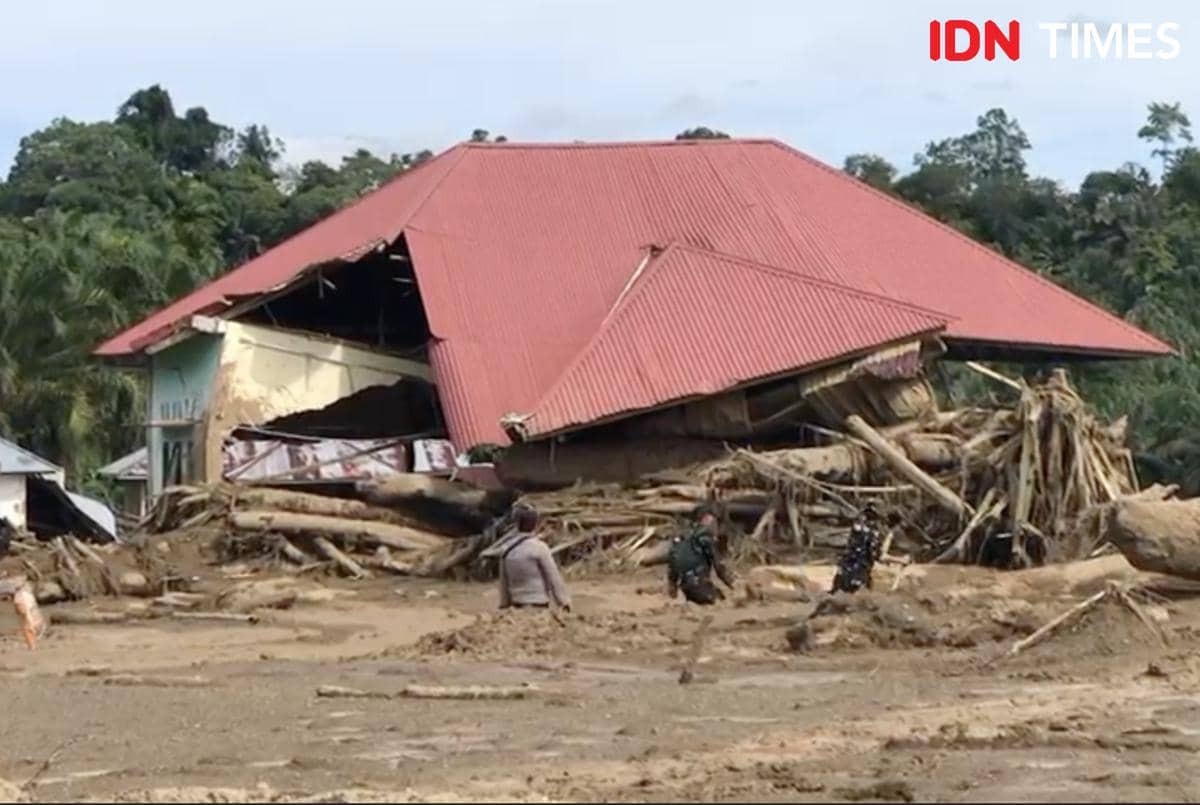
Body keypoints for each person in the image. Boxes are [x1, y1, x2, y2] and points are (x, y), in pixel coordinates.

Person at [495, 504, 571, 611]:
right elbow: (553, 577)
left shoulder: (506, 549)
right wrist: (563, 602)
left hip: (516, 605)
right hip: (539, 604)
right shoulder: (539, 548)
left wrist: (504, 604)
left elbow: (504, 581)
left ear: (517, 524)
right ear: (535, 525)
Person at [667, 503, 736, 605]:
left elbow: (673, 564)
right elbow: (718, 566)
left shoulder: (683, 536)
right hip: (700, 585)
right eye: (714, 520)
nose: (716, 525)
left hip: (686, 588)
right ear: (707, 518)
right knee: (721, 601)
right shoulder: (705, 535)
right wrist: (732, 584)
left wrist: (672, 586)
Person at [831, 503, 883, 594]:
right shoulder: (871, 536)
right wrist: (900, 560)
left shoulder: (856, 532)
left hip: (844, 571)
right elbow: (878, 556)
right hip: (859, 574)